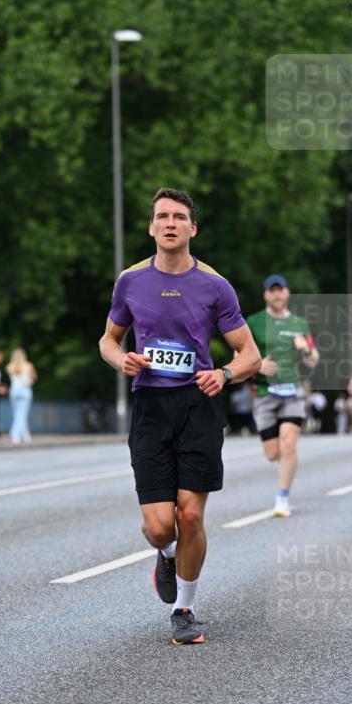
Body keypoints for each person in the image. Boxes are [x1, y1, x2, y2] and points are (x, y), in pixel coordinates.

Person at [99, 188, 261, 646]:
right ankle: (167, 553)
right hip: (151, 407)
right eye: (163, 216)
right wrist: (122, 360)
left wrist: (224, 374)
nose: (170, 223)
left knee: (190, 515)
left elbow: (250, 354)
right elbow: (109, 339)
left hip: (197, 406)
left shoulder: (214, 285)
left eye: (179, 217)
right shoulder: (131, 281)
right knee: (159, 527)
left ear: (193, 228)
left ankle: (184, 609)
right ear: (152, 227)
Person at [246, 275, 319, 516]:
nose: (277, 294)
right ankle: (286, 461)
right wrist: (259, 366)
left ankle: (282, 499)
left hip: (292, 391)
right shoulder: (254, 322)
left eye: (281, 290)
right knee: (272, 454)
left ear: (287, 293)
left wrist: (304, 348)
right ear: (266, 295)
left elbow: (313, 360)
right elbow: (240, 356)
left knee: (289, 442)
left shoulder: (299, 324)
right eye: (272, 290)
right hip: (264, 393)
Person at [7, 347, 37, 444]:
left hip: (14, 390)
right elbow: (34, 377)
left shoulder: (10, 366)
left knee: (18, 414)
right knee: (22, 414)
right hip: (25, 390)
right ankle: (15, 434)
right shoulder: (28, 365)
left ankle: (25, 436)